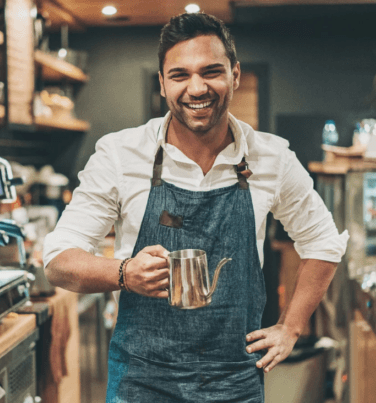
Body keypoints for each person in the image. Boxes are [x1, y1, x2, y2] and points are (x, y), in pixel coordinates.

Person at [43, 12, 348, 403]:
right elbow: (57, 260)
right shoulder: (120, 155)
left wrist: (290, 328)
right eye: (180, 75)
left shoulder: (271, 157)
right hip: (142, 381)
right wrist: (123, 272)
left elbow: (323, 242)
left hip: (234, 380)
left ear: (235, 75)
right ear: (162, 83)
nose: (197, 87)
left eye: (211, 71)